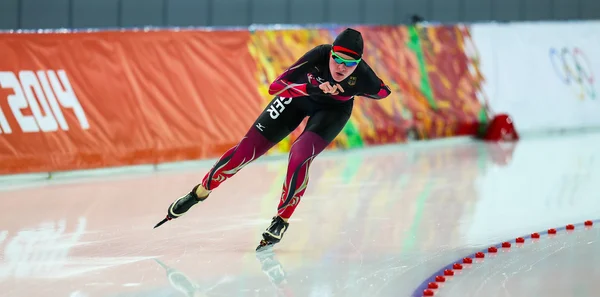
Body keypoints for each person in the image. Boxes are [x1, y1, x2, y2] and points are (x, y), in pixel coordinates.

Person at [154, 28, 392, 252]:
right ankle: (199, 192)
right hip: (298, 99)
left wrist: (352, 91)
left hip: (333, 112)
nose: (342, 67)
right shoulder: (318, 55)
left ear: (358, 63)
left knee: (299, 154)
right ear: (330, 53)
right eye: (338, 59)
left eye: (350, 63)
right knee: (245, 152)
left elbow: (382, 92)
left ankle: (282, 219)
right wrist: (313, 87)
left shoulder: (362, 75)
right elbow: (275, 87)